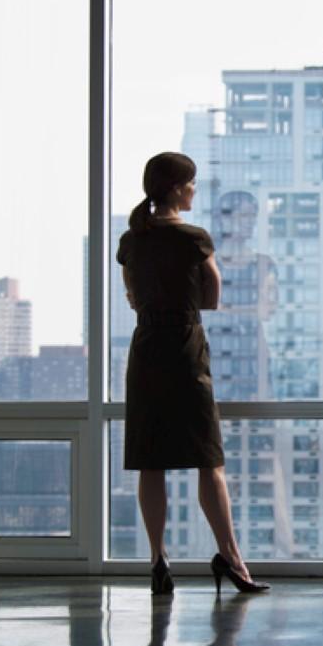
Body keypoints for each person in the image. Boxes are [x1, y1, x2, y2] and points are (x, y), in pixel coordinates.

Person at [117, 151, 268, 595]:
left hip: (146, 349)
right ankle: (232, 559)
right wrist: (184, 300)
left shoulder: (132, 240)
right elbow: (213, 296)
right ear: (178, 188)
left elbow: (132, 296)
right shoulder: (194, 238)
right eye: (192, 183)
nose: (195, 190)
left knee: (151, 462)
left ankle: (158, 558)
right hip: (184, 348)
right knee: (209, 460)